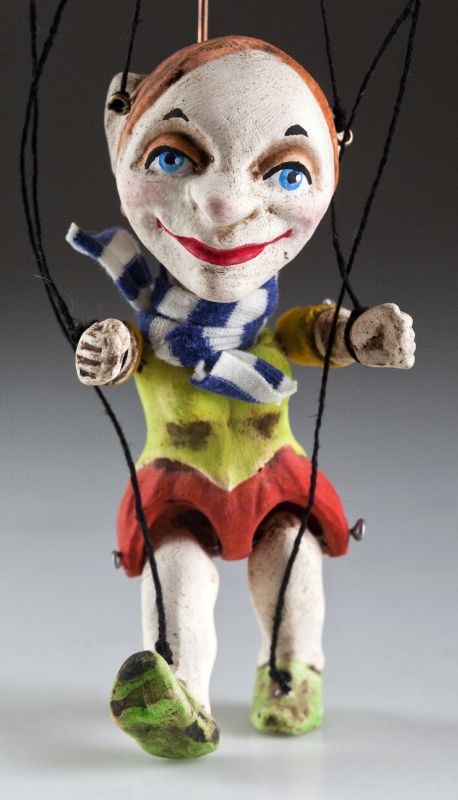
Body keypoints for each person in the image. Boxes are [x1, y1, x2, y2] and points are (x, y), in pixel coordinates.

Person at [68, 35, 415, 759]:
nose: (225, 203)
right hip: (177, 485)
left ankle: (293, 673)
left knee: (291, 563)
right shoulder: (153, 333)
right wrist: (110, 348)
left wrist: (357, 336)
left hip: (272, 479)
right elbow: (127, 352)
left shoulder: (264, 326)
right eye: (173, 158)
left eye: (287, 172)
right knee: (177, 578)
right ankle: (178, 696)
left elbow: (307, 333)